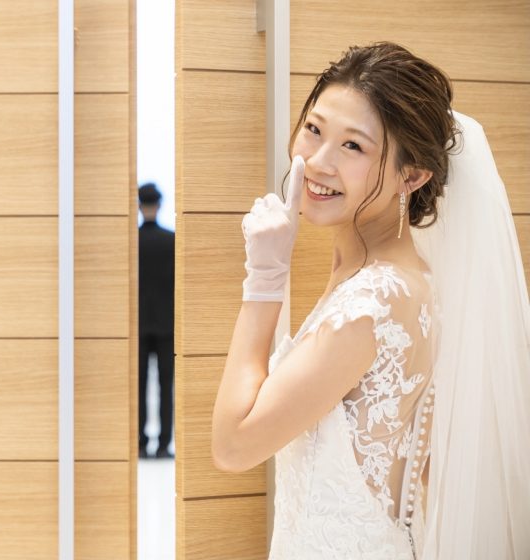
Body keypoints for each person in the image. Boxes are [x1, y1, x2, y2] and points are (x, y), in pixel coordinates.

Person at [211, 42, 530, 559]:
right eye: (314, 129)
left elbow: (233, 445)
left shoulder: (372, 304)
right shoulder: (405, 280)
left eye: (353, 146)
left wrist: (264, 280)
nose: (318, 162)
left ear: (413, 175)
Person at [138, 183, 175, 459]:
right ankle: (163, 445)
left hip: (138, 326)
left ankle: (140, 443)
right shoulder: (171, 241)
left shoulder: (132, 242)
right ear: (159, 205)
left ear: (139, 206)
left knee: (138, 386)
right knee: (165, 387)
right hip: (167, 325)